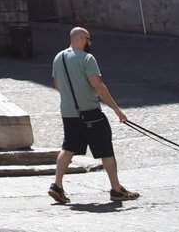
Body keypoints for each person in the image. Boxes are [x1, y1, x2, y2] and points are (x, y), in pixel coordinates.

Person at [49, 27, 139, 205]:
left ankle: (57, 186)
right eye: (89, 39)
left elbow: (57, 84)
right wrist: (117, 110)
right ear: (83, 38)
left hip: (68, 113)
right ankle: (116, 189)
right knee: (105, 149)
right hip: (90, 113)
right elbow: (99, 87)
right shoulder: (87, 58)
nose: (90, 43)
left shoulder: (58, 58)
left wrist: (70, 98)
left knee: (68, 148)